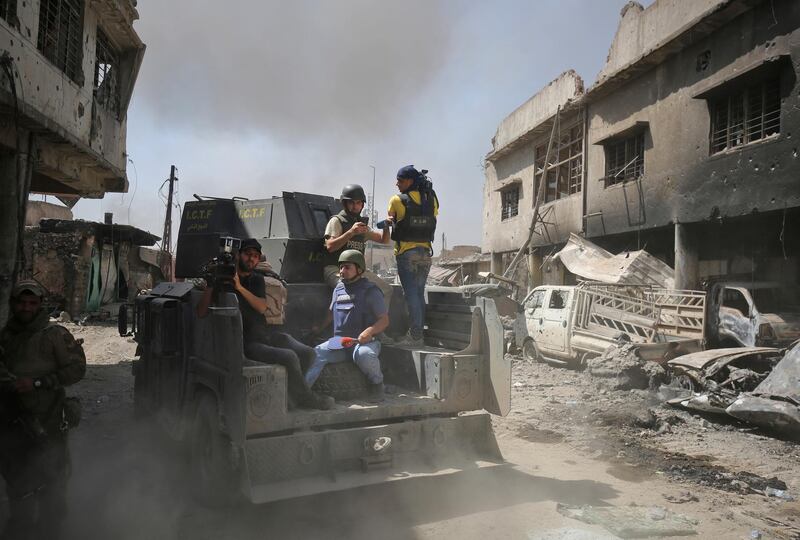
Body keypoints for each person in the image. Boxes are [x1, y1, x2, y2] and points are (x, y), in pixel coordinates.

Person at [197, 238, 334, 410]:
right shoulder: (223, 279)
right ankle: (306, 399)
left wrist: (239, 287)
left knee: (308, 353)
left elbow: (262, 307)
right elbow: (201, 312)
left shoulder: (256, 280)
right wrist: (211, 284)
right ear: (239, 255)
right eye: (248, 254)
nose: (251, 259)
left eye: (255, 256)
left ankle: (292, 396)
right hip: (246, 342)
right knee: (289, 356)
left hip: (266, 335)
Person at [0, 280, 86, 540]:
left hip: (47, 426)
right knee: (19, 489)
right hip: (12, 426)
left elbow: (77, 370)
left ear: (40, 306)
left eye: (32, 303)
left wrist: (39, 383)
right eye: (22, 302)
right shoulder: (6, 336)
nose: (26, 307)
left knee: (52, 488)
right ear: (14, 304)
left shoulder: (54, 335)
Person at [306, 250, 389, 402]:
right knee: (316, 354)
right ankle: (304, 393)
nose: (342, 271)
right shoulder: (338, 289)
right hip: (341, 342)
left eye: (347, 267)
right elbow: (332, 313)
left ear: (359, 269)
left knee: (364, 355)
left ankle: (377, 385)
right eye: (341, 267)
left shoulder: (371, 290)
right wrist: (318, 328)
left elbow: (384, 320)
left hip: (364, 343)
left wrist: (369, 331)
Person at [385, 165, 439, 346]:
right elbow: (433, 216)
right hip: (425, 254)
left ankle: (415, 336)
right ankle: (417, 334)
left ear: (410, 181)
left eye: (400, 180)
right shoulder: (432, 198)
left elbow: (389, 220)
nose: (397, 184)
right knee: (418, 293)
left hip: (407, 254)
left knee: (411, 295)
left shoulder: (396, 200)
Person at [323, 184, 393, 307]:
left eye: (358, 203)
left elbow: (383, 240)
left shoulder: (360, 225)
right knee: (351, 289)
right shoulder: (337, 221)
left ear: (362, 205)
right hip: (335, 268)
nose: (355, 206)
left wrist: (386, 226)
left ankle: (377, 323)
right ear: (345, 203)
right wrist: (351, 232)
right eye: (351, 203)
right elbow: (330, 246)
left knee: (386, 290)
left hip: (358, 272)